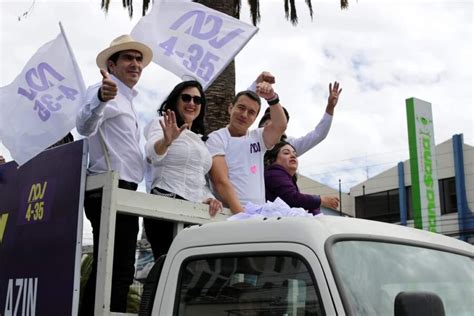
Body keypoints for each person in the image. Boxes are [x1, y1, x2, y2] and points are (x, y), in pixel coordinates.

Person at [75, 34, 153, 314]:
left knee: (118, 268)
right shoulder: (102, 90)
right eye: (128, 58)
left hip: (125, 191)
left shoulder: (127, 99)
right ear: (112, 64)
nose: (135, 64)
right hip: (108, 188)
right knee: (114, 268)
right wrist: (99, 98)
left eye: (138, 59)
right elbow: (83, 126)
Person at [143, 80, 222, 259]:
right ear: (175, 100)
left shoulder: (201, 139)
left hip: (193, 212)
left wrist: (209, 198)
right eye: (186, 98)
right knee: (167, 270)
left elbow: (198, 178)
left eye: (197, 100)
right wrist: (166, 141)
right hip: (166, 205)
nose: (192, 103)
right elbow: (151, 154)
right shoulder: (162, 123)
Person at [206, 82, 287, 213]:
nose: (244, 115)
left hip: (260, 213)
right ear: (230, 108)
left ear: (255, 118)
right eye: (241, 108)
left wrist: (272, 98)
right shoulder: (216, 138)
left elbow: (280, 126)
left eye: (251, 112)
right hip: (229, 213)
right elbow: (220, 180)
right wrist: (241, 215)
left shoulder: (259, 137)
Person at [253, 72, 342, 157]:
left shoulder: (290, 145)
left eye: (281, 123)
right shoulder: (251, 140)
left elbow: (318, 134)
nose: (276, 125)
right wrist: (257, 83)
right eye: (269, 123)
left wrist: (330, 108)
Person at [264, 141, 339, 214]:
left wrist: (316, 212)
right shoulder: (274, 173)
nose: (293, 156)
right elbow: (294, 199)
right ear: (273, 159)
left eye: (295, 154)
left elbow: (301, 204)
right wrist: (321, 200)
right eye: (286, 153)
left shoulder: (288, 179)